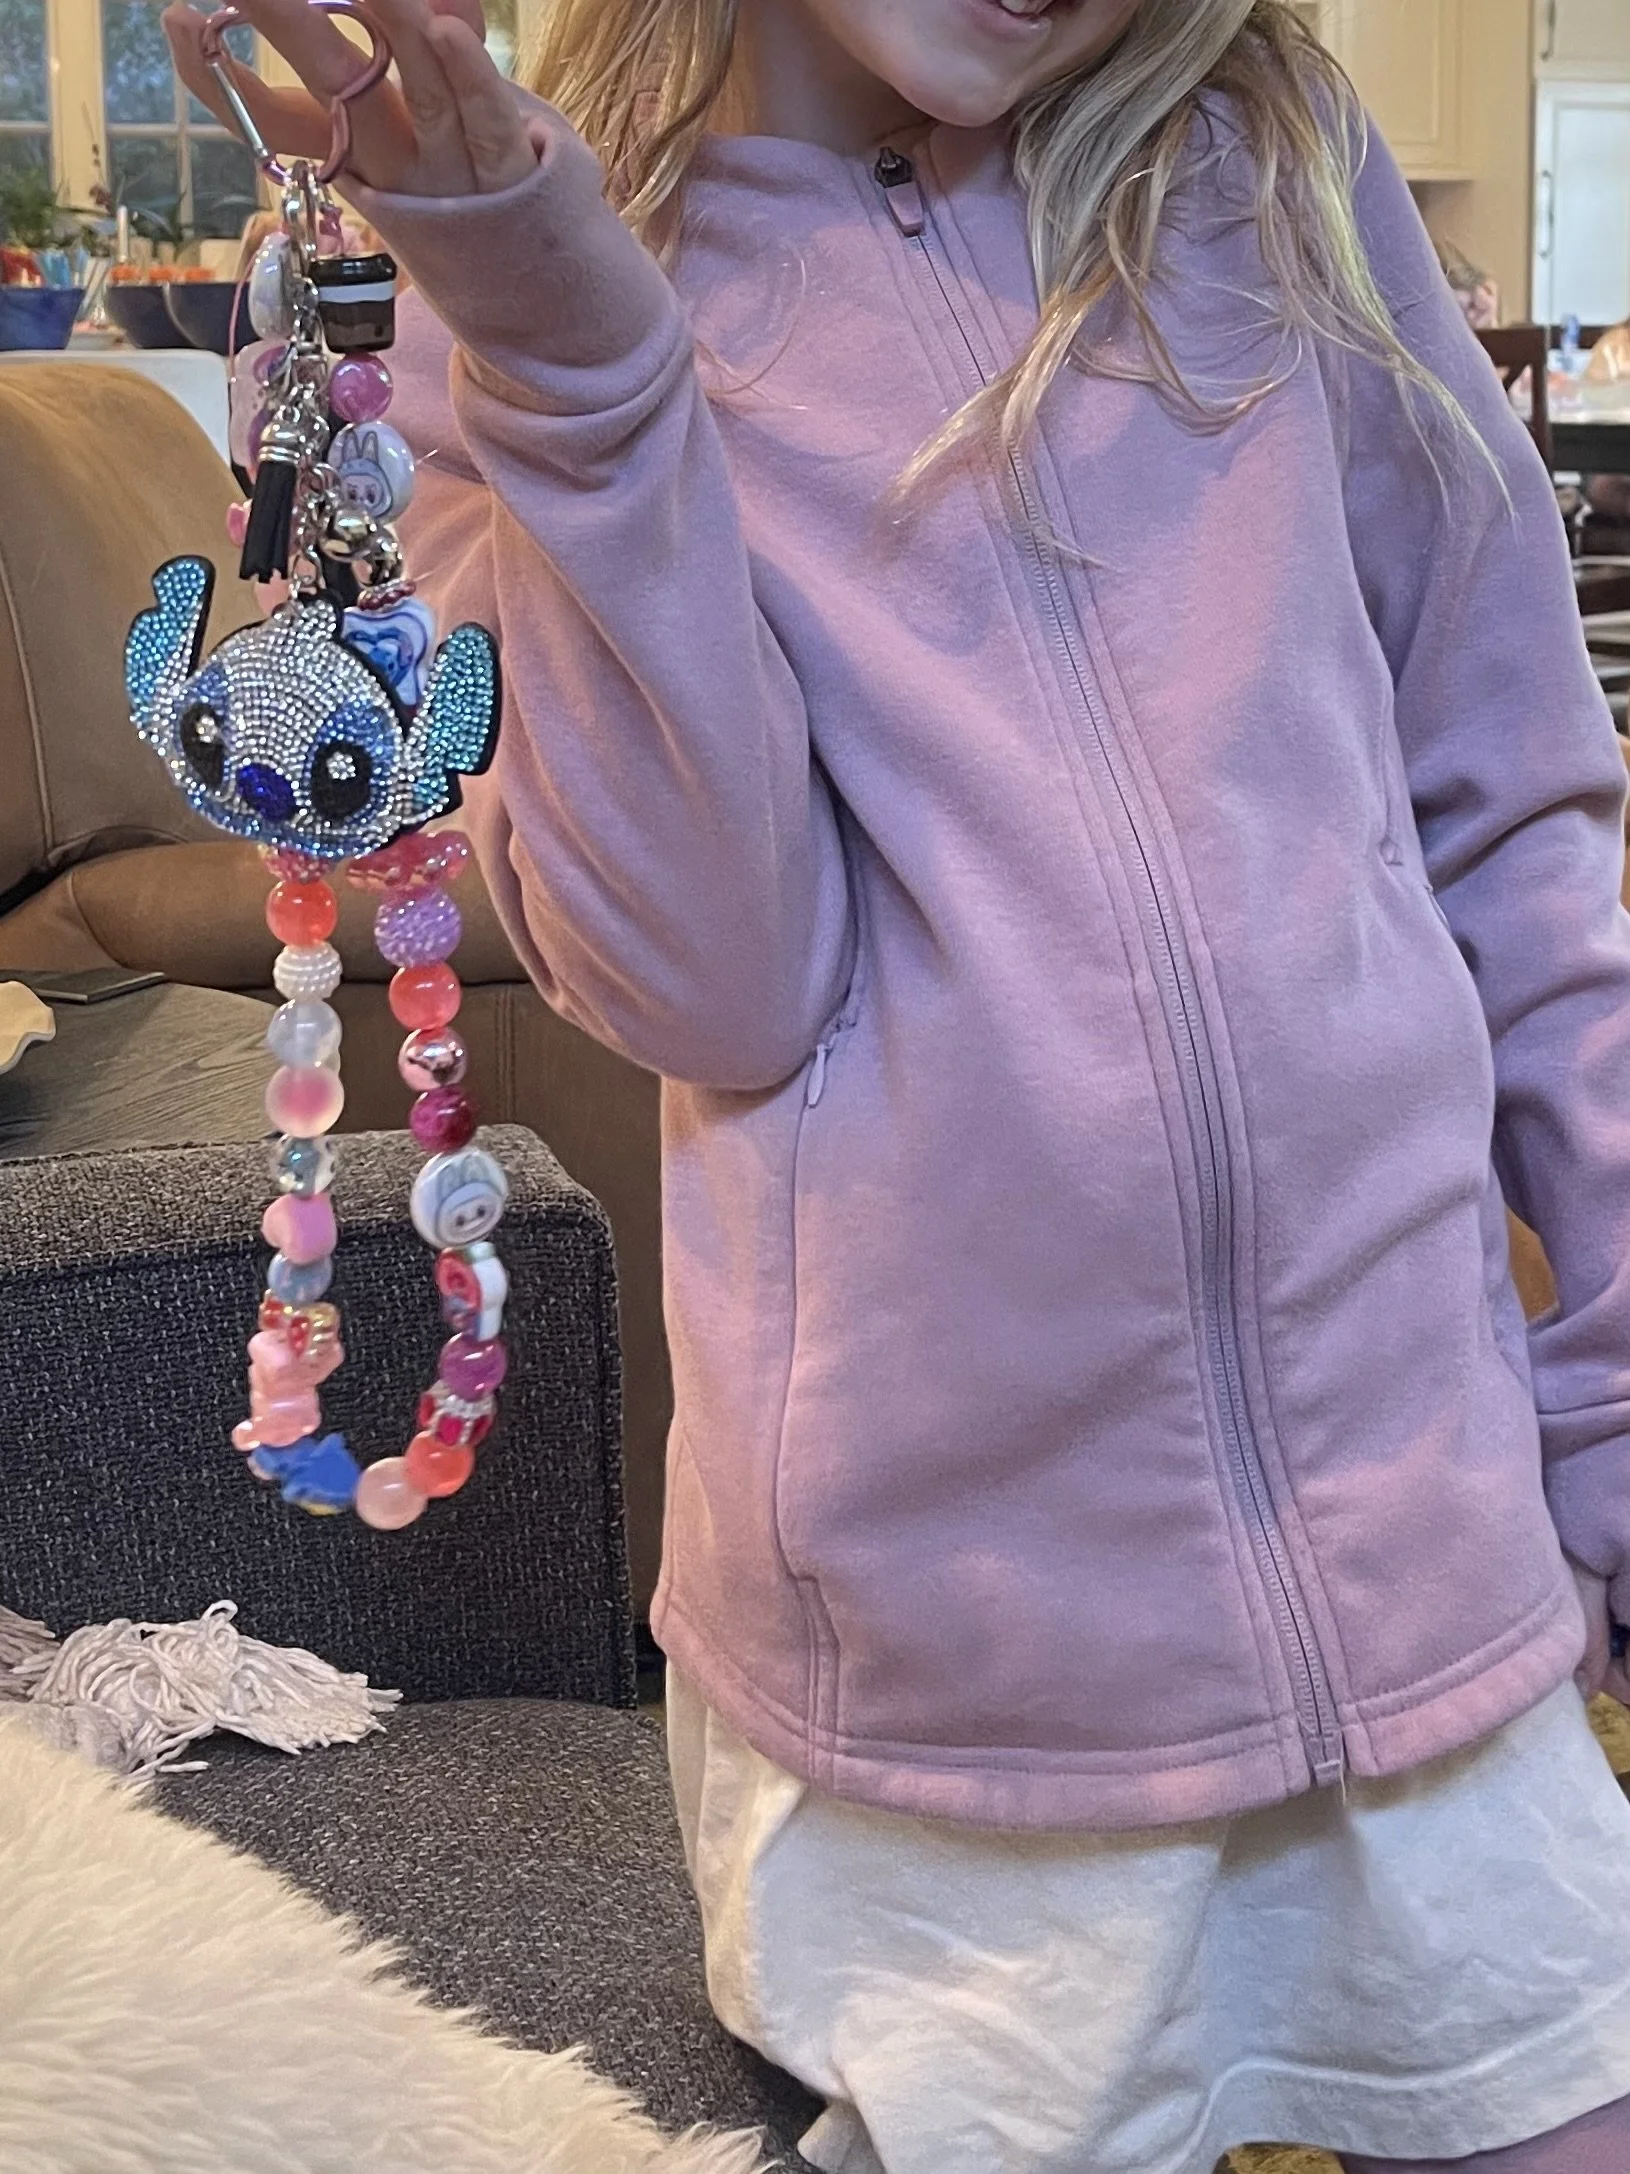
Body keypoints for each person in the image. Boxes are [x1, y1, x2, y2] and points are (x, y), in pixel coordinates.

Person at [164, 2, 1630, 2168]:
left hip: (1429, 1574)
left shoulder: (1268, 160)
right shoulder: (523, 305)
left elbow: (1511, 809)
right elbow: (711, 989)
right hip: (944, 1685)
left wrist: (1602, 1399)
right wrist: (584, 366)